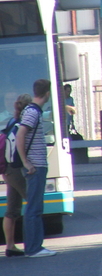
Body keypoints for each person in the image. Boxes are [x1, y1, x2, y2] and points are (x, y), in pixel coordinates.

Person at [15, 79, 57, 258]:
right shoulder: (33, 112)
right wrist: (26, 162)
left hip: (35, 165)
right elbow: (21, 135)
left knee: (35, 207)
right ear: (47, 93)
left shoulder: (31, 111)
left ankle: (35, 246)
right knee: (34, 208)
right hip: (34, 166)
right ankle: (33, 248)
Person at [2, 93, 31, 257]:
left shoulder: (11, 121)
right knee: (33, 202)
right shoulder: (21, 125)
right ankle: (33, 243)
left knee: (12, 208)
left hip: (8, 169)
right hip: (16, 169)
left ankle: (10, 246)